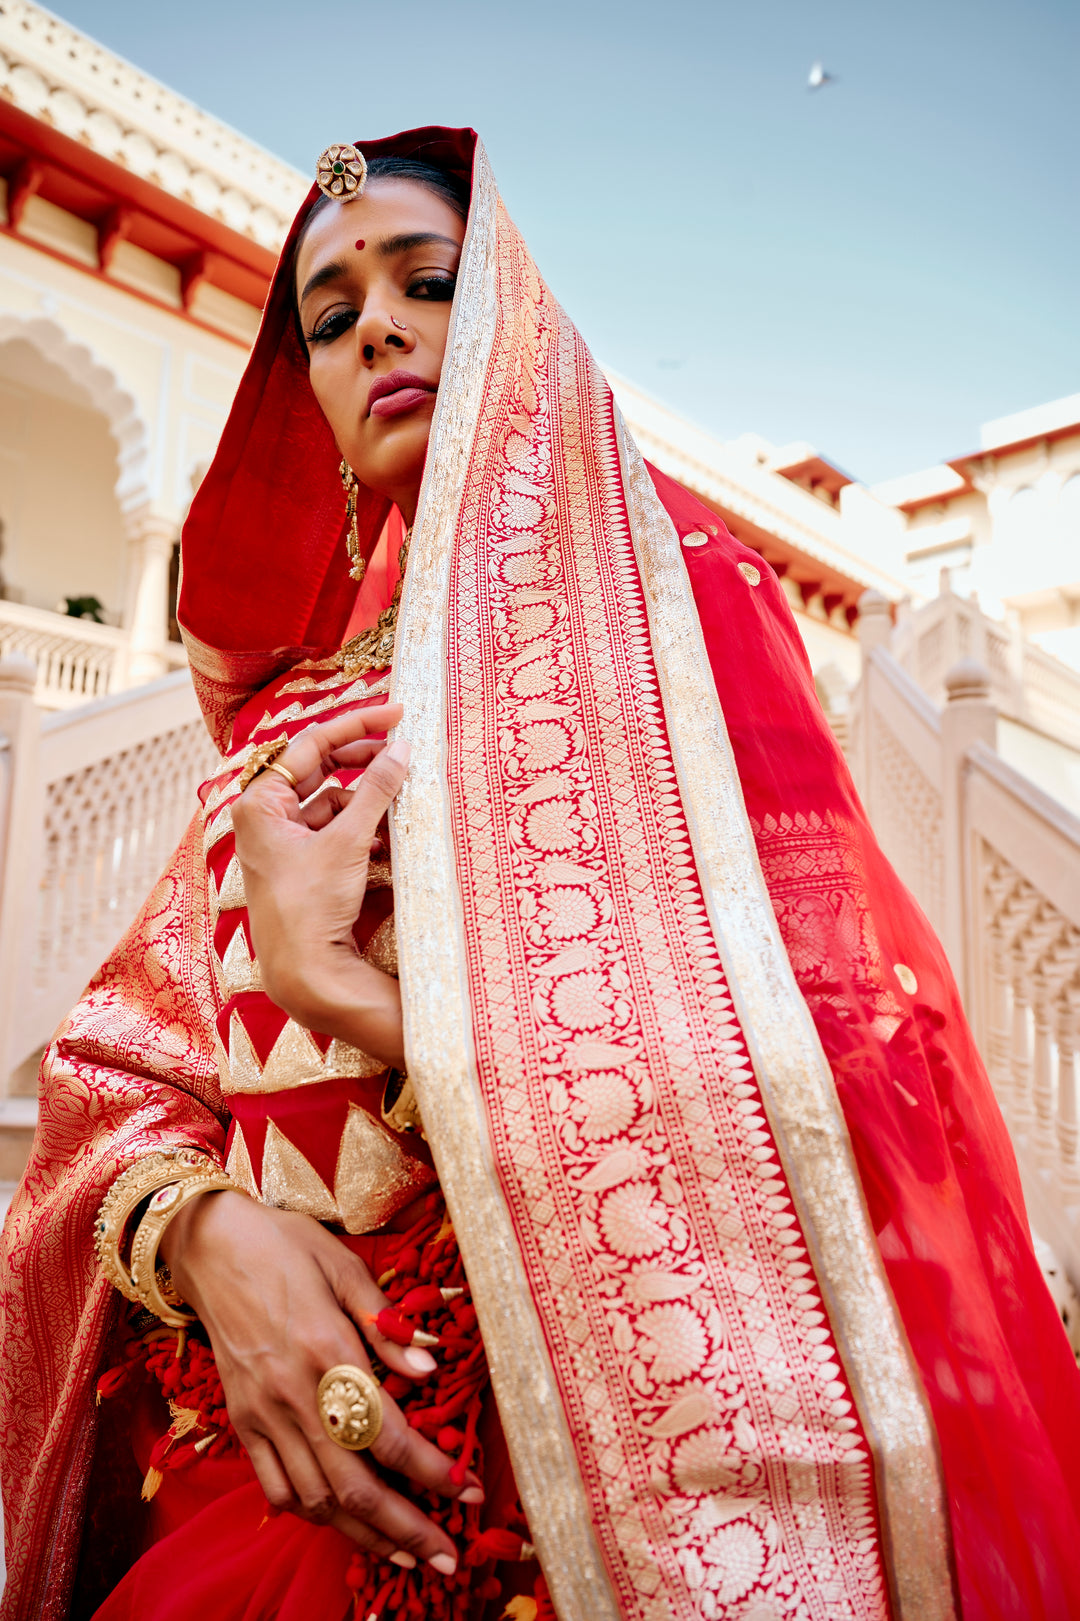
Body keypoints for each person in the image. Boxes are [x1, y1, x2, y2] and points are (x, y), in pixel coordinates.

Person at [2, 125, 1080, 1621]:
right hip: (255, 1484)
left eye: (426, 282)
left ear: (511, 313)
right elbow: (122, 1070)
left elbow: (820, 1095)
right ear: (310, 400)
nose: (375, 321)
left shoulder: (678, 630)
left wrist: (353, 998)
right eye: (329, 314)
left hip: (611, 1491)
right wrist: (205, 1231)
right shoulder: (281, 735)